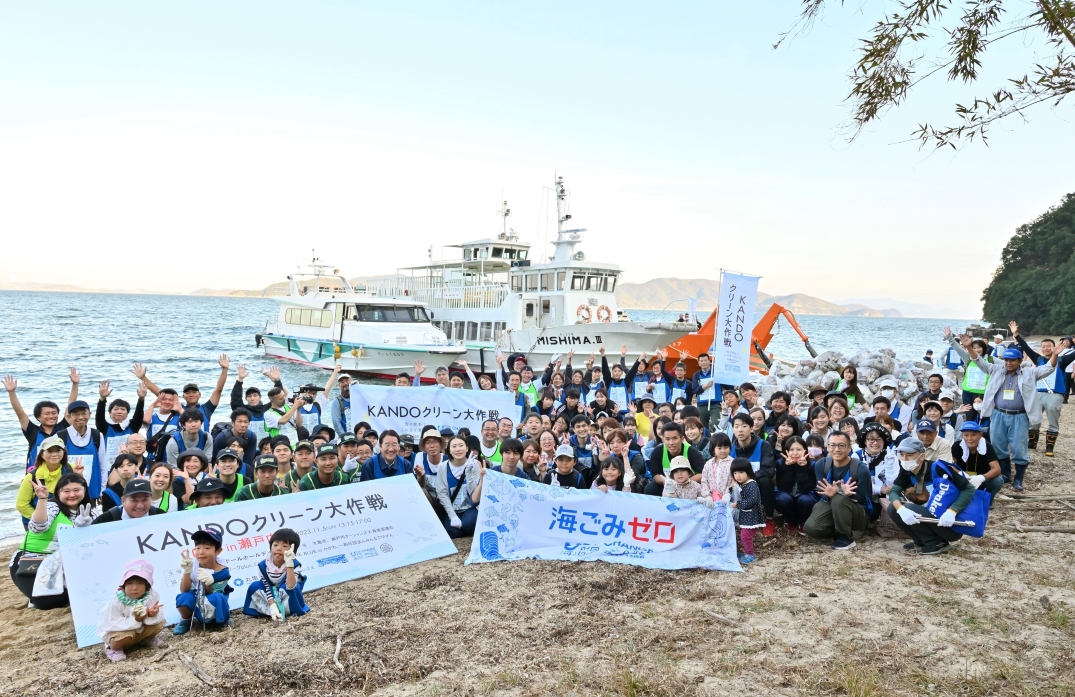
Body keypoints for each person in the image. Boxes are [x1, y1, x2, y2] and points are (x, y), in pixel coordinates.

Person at [11, 473, 95, 609]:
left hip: (64, 564)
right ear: (58, 492)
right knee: (48, 602)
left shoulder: (92, 512)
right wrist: (42, 499)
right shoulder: (52, 507)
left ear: (84, 490)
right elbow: (37, 527)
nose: (72, 494)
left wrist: (85, 530)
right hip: (32, 560)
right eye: (66, 491)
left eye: (76, 490)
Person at [888, 438, 977, 554]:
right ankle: (920, 541)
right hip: (931, 516)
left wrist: (953, 511)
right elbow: (894, 491)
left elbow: (969, 488)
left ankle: (936, 543)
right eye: (901, 455)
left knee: (908, 508)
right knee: (893, 508)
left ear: (922, 457)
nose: (904, 459)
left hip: (949, 522)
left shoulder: (937, 468)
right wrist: (900, 509)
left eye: (909, 455)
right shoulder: (906, 470)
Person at [1011, 322, 1075, 457]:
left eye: (1049, 346)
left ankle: (1049, 447)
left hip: (1054, 394)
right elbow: (1026, 347)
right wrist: (1016, 334)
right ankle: (1032, 442)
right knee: (1033, 419)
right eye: (1043, 346)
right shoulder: (1038, 359)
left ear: (1055, 347)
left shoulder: (1062, 360)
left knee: (1053, 421)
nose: (1046, 349)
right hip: (1038, 393)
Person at [803, 432, 872, 551]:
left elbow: (863, 499)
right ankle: (838, 530)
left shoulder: (860, 469)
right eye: (833, 445)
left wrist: (847, 494)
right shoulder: (821, 465)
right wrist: (833, 493)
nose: (836, 449)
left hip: (857, 513)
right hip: (831, 505)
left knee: (839, 499)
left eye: (841, 445)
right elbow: (822, 493)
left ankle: (845, 536)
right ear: (827, 447)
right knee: (811, 528)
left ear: (849, 448)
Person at [3, 369, 79, 470]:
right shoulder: (32, 431)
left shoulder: (63, 428)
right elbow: (20, 413)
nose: (51, 416)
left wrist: (75, 384)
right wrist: (11, 392)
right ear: (38, 417)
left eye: (54, 413)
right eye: (47, 414)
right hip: (37, 474)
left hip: (60, 474)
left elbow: (71, 404)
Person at [98, 560, 165, 661]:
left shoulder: (152, 595)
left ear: (147, 584)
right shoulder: (117, 601)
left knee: (159, 623)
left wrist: (151, 614)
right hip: (124, 631)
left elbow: (158, 612)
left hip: (140, 631)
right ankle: (116, 649)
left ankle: (146, 639)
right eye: (129, 583)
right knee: (125, 635)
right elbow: (112, 622)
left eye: (140, 583)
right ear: (123, 584)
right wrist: (136, 619)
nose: (134, 588)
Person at [174, 528, 232, 634]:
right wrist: (187, 572)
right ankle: (186, 620)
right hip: (197, 598)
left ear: (218, 551)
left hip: (211, 599)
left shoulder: (222, 570)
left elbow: (213, 593)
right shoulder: (193, 564)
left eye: (207, 548)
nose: (201, 552)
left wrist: (209, 583)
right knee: (183, 598)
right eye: (198, 548)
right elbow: (184, 590)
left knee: (217, 598)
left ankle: (222, 618)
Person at [243, 528, 309, 620]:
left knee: (288, 588)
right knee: (254, 586)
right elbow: (266, 586)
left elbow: (291, 586)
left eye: (284, 546)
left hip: (286, 593)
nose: (278, 548)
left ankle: (287, 610)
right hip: (271, 593)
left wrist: (289, 564)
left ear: (292, 550)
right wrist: (272, 605)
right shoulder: (263, 565)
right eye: (275, 545)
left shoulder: (295, 564)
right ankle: (272, 611)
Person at [729, 413, 777, 535]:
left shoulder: (763, 445)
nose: (740, 430)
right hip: (736, 485)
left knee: (765, 481)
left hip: (757, 484)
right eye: (736, 426)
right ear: (733, 429)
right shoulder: (730, 448)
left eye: (744, 426)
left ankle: (769, 519)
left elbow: (769, 470)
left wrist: (748, 479)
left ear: (751, 428)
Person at [16, 435, 75, 526]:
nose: (54, 454)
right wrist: (42, 520)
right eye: (49, 451)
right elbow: (21, 505)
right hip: (36, 523)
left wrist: (80, 476)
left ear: (64, 452)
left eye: (58, 450)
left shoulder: (71, 469)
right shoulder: (31, 477)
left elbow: (78, 496)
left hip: (64, 522)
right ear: (42, 454)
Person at [435, 436, 487, 537]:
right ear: (449, 450)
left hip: (470, 507)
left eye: (461, 445)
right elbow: (442, 493)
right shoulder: (443, 467)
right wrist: (452, 516)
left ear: (467, 448)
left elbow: (474, 497)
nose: (458, 449)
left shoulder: (475, 464)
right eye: (454, 446)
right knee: (452, 531)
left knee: (469, 524)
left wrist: (469, 473)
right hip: (453, 508)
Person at [59, 400, 105, 500]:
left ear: (89, 414)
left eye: (84, 413)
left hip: (92, 490)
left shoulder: (97, 435)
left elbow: (102, 465)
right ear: (68, 417)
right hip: (68, 491)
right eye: (76, 414)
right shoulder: (60, 436)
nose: (80, 417)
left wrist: (102, 490)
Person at [644, 422, 707, 496]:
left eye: (675, 438)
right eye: (667, 439)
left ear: (682, 439)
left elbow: (703, 473)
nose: (671, 443)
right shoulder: (658, 451)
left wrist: (685, 483)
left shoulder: (692, 452)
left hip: (690, 487)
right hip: (668, 486)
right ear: (663, 440)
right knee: (650, 489)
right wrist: (669, 483)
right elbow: (656, 475)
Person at [95, 380, 147, 468]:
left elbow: (138, 415)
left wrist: (141, 399)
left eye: (123, 409)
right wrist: (102, 399)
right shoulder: (104, 427)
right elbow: (99, 416)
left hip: (129, 467)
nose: (119, 412)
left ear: (127, 413)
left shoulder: (132, 426)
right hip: (108, 467)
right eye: (115, 409)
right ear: (110, 413)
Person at [773, 436, 818, 535]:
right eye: (792, 449)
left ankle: (803, 522)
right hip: (788, 495)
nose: (795, 453)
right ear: (786, 451)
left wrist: (801, 469)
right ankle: (789, 520)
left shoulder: (812, 465)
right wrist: (789, 468)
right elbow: (784, 487)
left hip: (804, 496)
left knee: (805, 500)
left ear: (805, 450)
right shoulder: (780, 464)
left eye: (799, 449)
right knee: (782, 499)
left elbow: (806, 488)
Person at [950, 422, 1003, 501]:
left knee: (998, 481)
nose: (969, 439)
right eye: (966, 435)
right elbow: (949, 465)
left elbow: (997, 469)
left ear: (980, 435)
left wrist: (981, 477)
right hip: (962, 479)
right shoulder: (957, 446)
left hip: (981, 481)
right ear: (962, 436)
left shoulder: (987, 446)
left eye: (973, 435)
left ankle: (986, 501)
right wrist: (960, 473)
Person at [231, 364, 284, 442]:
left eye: (255, 395)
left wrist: (277, 381)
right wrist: (240, 380)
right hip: (248, 445)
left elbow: (278, 397)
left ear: (260, 397)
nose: (252, 398)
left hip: (266, 446)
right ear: (246, 399)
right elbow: (235, 399)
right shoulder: (243, 411)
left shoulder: (267, 409)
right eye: (249, 396)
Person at [729, 458, 764, 564]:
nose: (738, 476)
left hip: (752, 517)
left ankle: (750, 554)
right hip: (746, 516)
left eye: (741, 472)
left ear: (748, 471)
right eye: (735, 473)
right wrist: (732, 488)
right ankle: (746, 552)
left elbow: (752, 500)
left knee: (745, 535)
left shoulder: (752, 484)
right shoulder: (742, 484)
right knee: (744, 534)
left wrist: (738, 504)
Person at [92, 479, 165, 524]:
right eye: (134, 500)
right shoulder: (106, 520)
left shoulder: (160, 516)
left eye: (145, 499)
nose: (140, 506)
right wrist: (87, 528)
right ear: (123, 501)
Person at [295, 364, 342, 432]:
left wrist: (335, 372)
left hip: (316, 437)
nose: (312, 395)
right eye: (309, 392)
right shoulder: (296, 405)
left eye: (314, 393)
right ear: (303, 393)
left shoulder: (318, 404)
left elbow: (327, 388)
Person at [691, 352, 722, 432]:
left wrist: (737, 386)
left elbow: (726, 385)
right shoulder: (696, 375)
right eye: (701, 361)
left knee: (716, 425)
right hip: (702, 405)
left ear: (709, 361)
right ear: (699, 363)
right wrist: (705, 386)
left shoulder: (717, 372)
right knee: (702, 427)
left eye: (705, 360)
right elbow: (695, 390)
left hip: (715, 404)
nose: (703, 362)